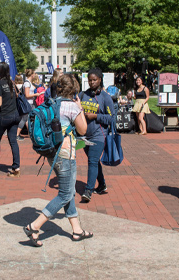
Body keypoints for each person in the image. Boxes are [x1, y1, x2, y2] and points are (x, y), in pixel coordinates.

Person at [23, 74, 92, 246]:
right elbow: (83, 130)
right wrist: (80, 108)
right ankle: (34, 226)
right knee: (65, 194)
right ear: (73, 89)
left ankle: (76, 230)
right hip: (66, 154)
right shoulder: (71, 107)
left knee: (68, 191)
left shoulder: (51, 103)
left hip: (52, 153)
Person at [79, 68, 115, 203]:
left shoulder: (105, 97)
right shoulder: (83, 95)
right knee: (94, 160)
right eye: (90, 80)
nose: (92, 82)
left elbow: (111, 118)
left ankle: (88, 190)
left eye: (94, 80)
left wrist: (95, 116)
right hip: (84, 134)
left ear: (100, 80)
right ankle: (102, 184)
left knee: (92, 161)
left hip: (99, 134)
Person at [0, 62, 21, 177]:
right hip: (15, 115)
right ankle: (16, 168)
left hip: (4, 115)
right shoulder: (11, 83)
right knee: (13, 141)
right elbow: (17, 96)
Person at [15, 74, 29, 141]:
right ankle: (17, 134)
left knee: (24, 119)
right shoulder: (23, 86)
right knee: (24, 119)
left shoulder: (14, 86)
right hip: (23, 104)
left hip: (17, 104)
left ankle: (30, 133)